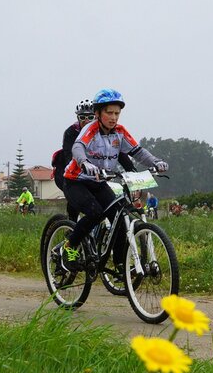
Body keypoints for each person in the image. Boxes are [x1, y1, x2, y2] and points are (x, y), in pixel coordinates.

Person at [59, 89, 168, 271]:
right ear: (98, 113)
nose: (113, 117)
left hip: (99, 182)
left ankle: (120, 264)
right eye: (109, 113)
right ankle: (70, 246)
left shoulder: (120, 132)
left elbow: (138, 152)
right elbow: (77, 148)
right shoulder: (90, 129)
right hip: (76, 181)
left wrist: (155, 162)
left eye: (117, 113)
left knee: (119, 216)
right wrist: (84, 163)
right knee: (95, 213)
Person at [53, 99, 97, 220]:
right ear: (78, 117)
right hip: (64, 170)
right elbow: (69, 154)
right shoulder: (71, 132)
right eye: (82, 117)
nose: (86, 121)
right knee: (75, 196)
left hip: (88, 170)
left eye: (90, 117)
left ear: (95, 117)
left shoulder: (99, 131)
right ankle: (72, 225)